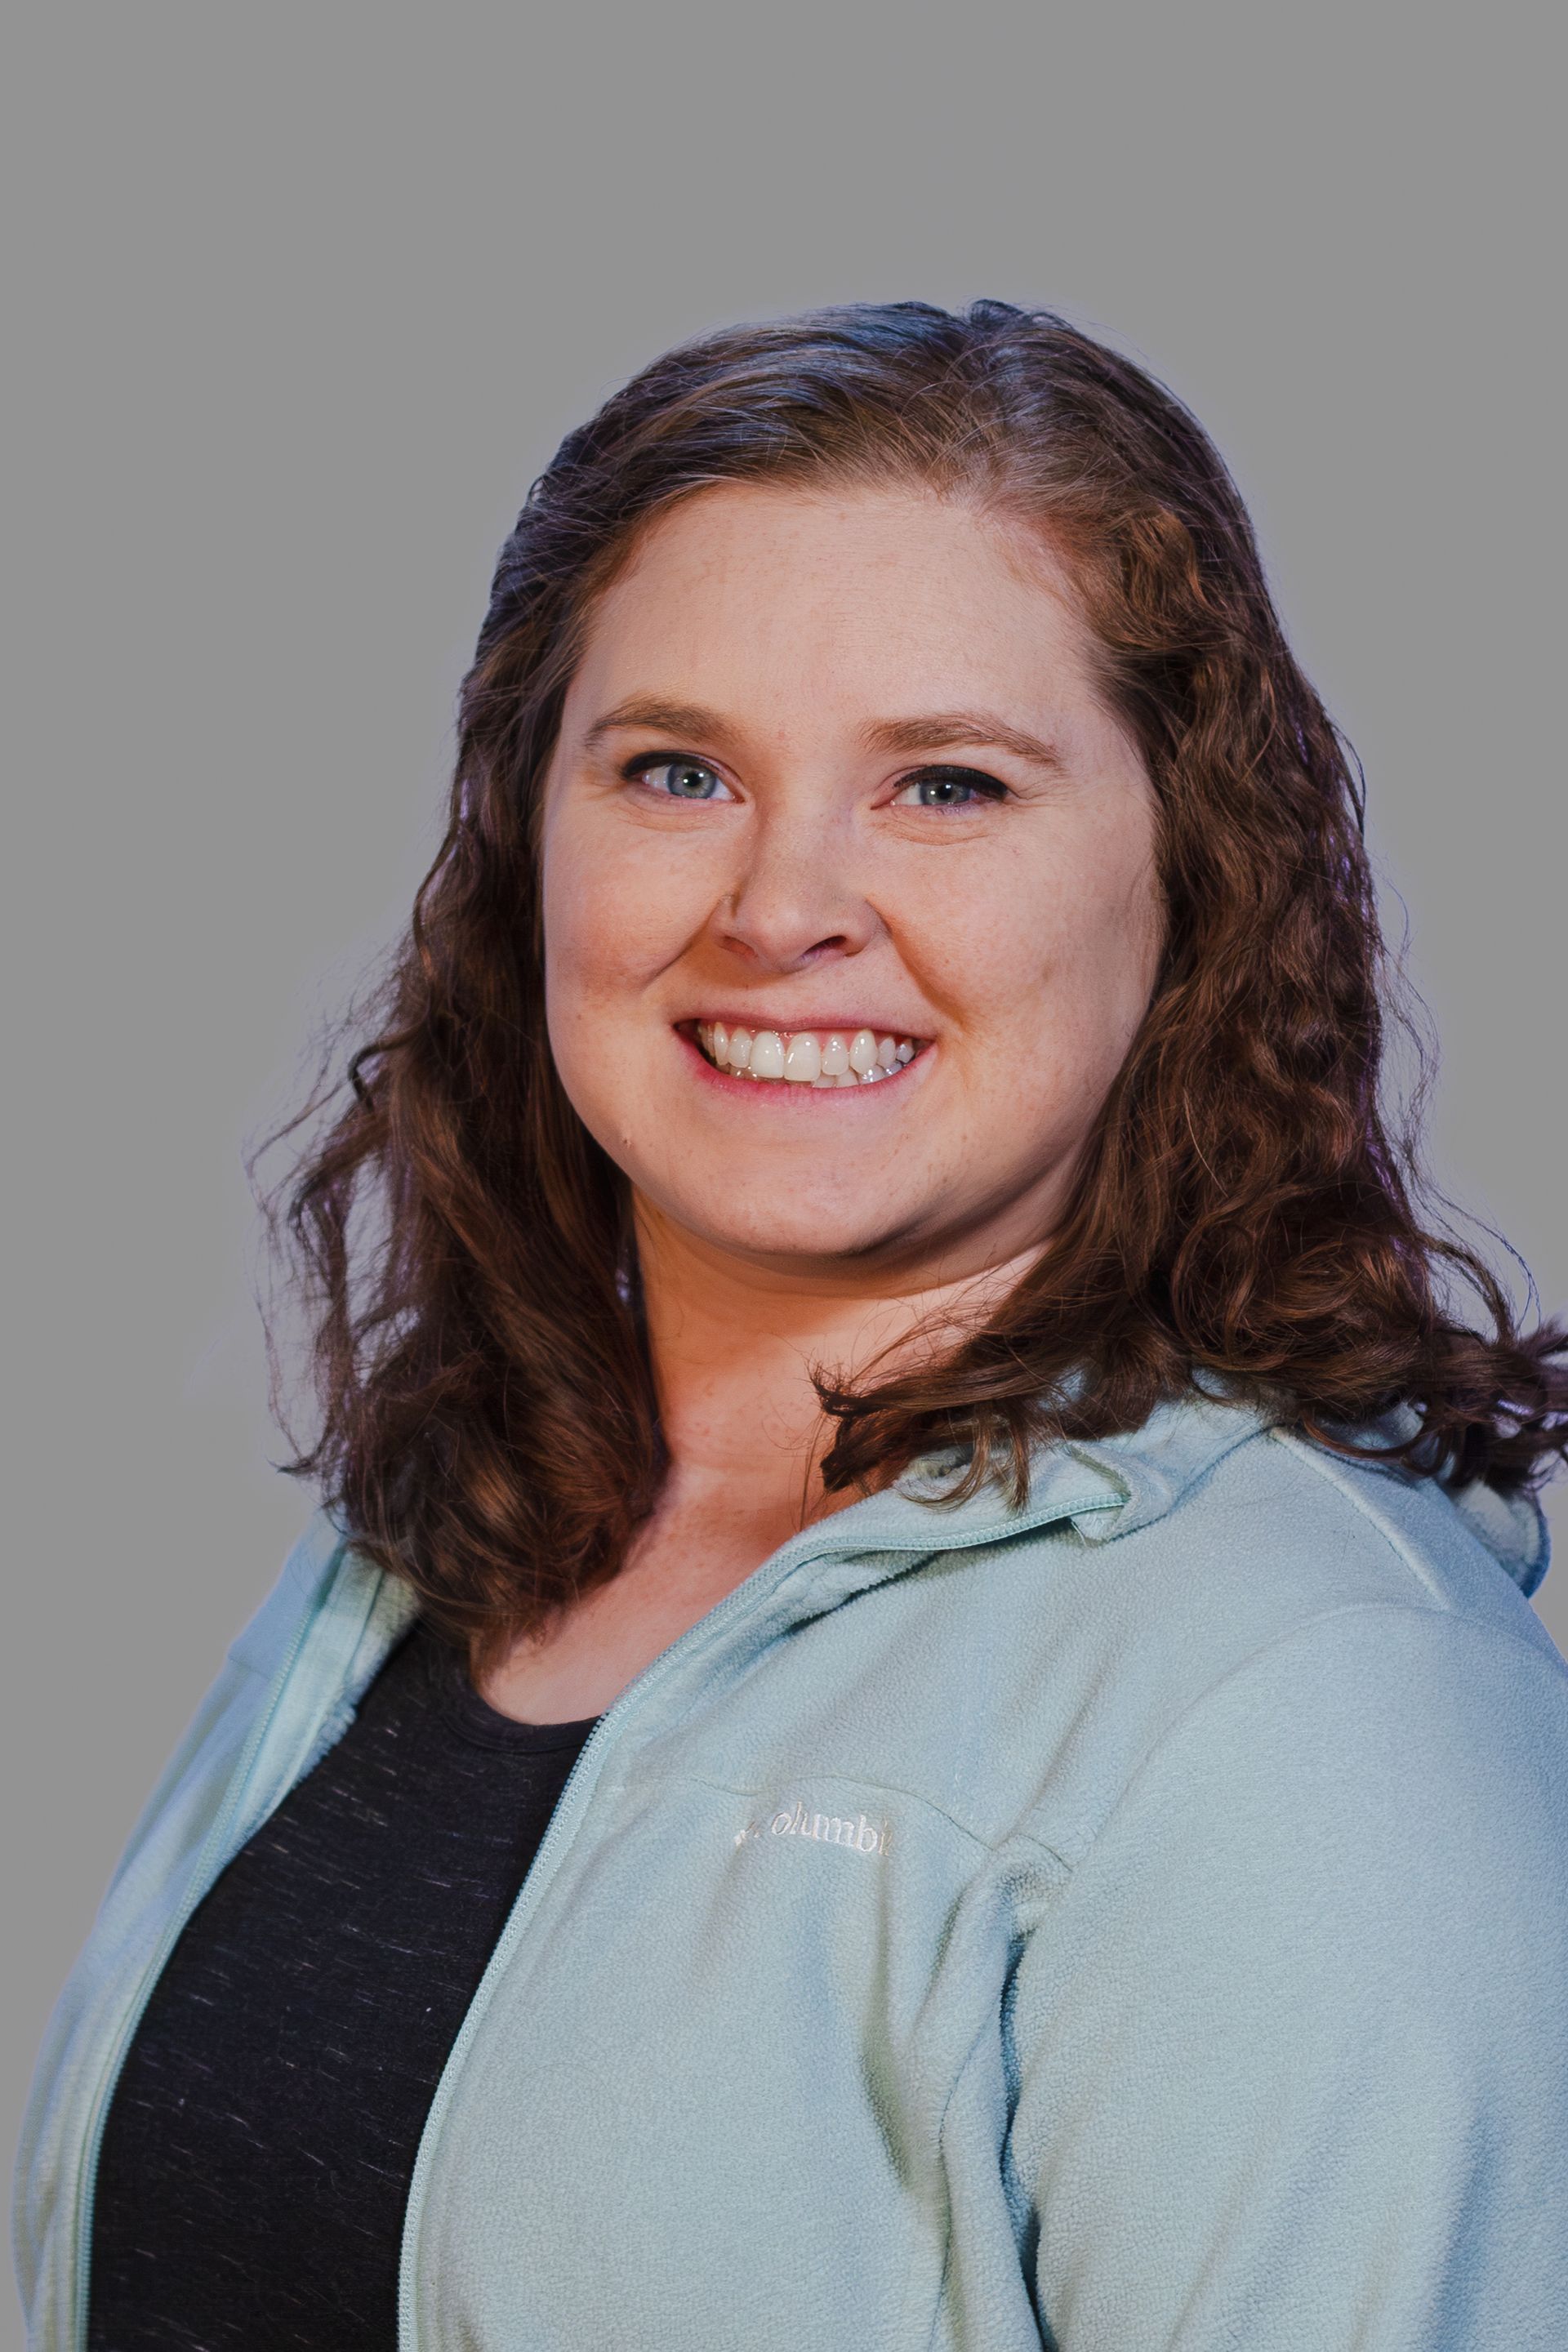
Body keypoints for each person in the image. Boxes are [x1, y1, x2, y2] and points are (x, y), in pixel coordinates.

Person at [16, 299, 1568, 2352]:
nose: (779, 907)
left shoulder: (1304, 1712)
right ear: (527, 837)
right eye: (675, 770)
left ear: (1189, 882)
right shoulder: (424, 1554)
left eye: (943, 785)